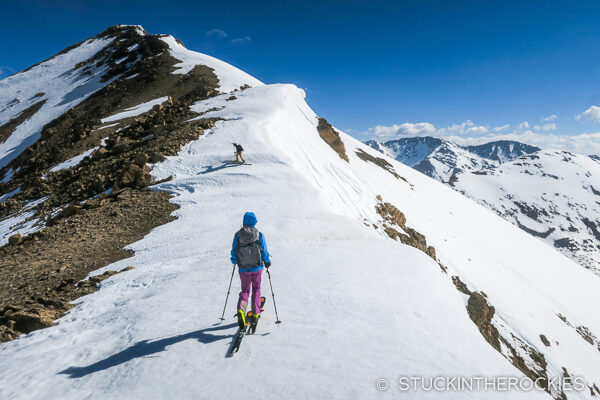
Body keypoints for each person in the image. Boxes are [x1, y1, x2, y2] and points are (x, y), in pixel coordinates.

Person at [230, 212, 271, 329]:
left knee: (245, 290)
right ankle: (255, 312)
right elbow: (263, 250)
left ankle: (241, 310)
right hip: (257, 268)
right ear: (254, 222)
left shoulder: (238, 235)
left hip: (243, 269)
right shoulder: (259, 234)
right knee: (256, 289)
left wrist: (234, 260)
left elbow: (234, 250)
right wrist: (267, 261)